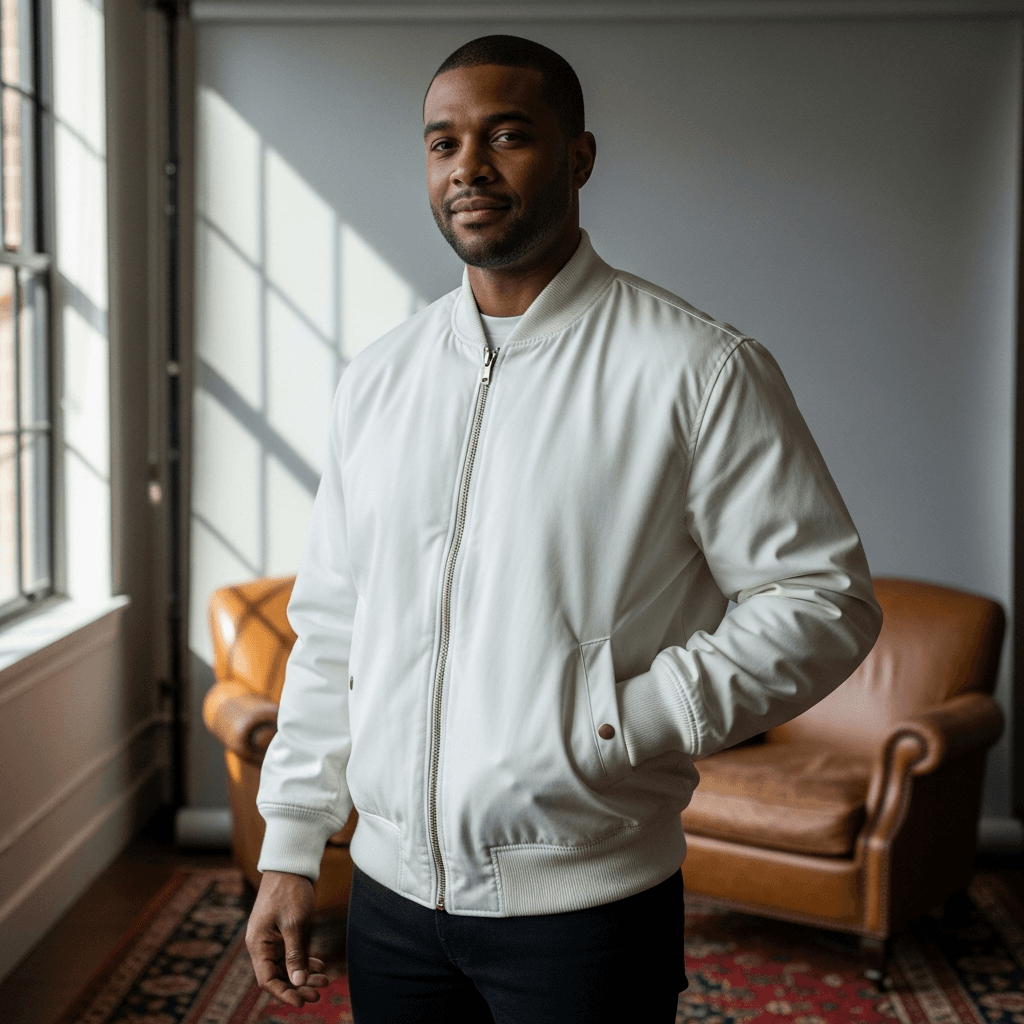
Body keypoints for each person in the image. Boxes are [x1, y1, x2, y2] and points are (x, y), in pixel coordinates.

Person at [244, 34, 883, 1024]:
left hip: (587, 911)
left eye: (507, 136)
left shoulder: (695, 370)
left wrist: (619, 719)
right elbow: (333, 628)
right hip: (391, 903)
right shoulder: (378, 380)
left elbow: (823, 602)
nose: (469, 167)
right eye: (442, 143)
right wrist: (291, 844)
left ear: (578, 158)